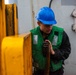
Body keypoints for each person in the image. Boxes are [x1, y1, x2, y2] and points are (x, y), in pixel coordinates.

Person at [30, 6, 71, 75]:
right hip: (39, 72)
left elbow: (66, 51)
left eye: (51, 25)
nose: (50, 28)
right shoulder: (32, 35)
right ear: (39, 23)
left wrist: (53, 52)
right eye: (47, 25)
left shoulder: (60, 33)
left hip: (56, 72)